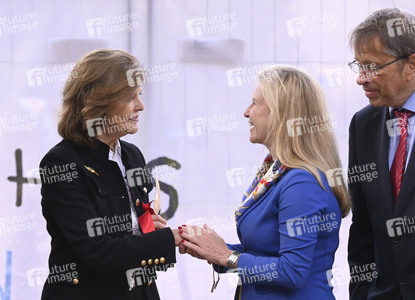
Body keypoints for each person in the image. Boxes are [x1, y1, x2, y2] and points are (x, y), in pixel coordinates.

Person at [178, 65, 351, 299]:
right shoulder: (280, 170)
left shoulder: (301, 181)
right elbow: (267, 252)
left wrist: (225, 256)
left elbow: (292, 272)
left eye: (255, 103)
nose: (246, 112)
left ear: (281, 113)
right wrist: (209, 248)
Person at [39, 49, 181, 300]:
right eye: (130, 98)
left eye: (139, 95)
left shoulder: (132, 154)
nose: (140, 106)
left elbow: (133, 227)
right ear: (99, 104)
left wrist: (148, 228)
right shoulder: (60, 163)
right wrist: (168, 240)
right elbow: (97, 251)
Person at [347, 8, 415, 300]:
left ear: (412, 65)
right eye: (358, 65)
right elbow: (363, 228)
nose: (361, 78)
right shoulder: (363, 124)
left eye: (371, 66)